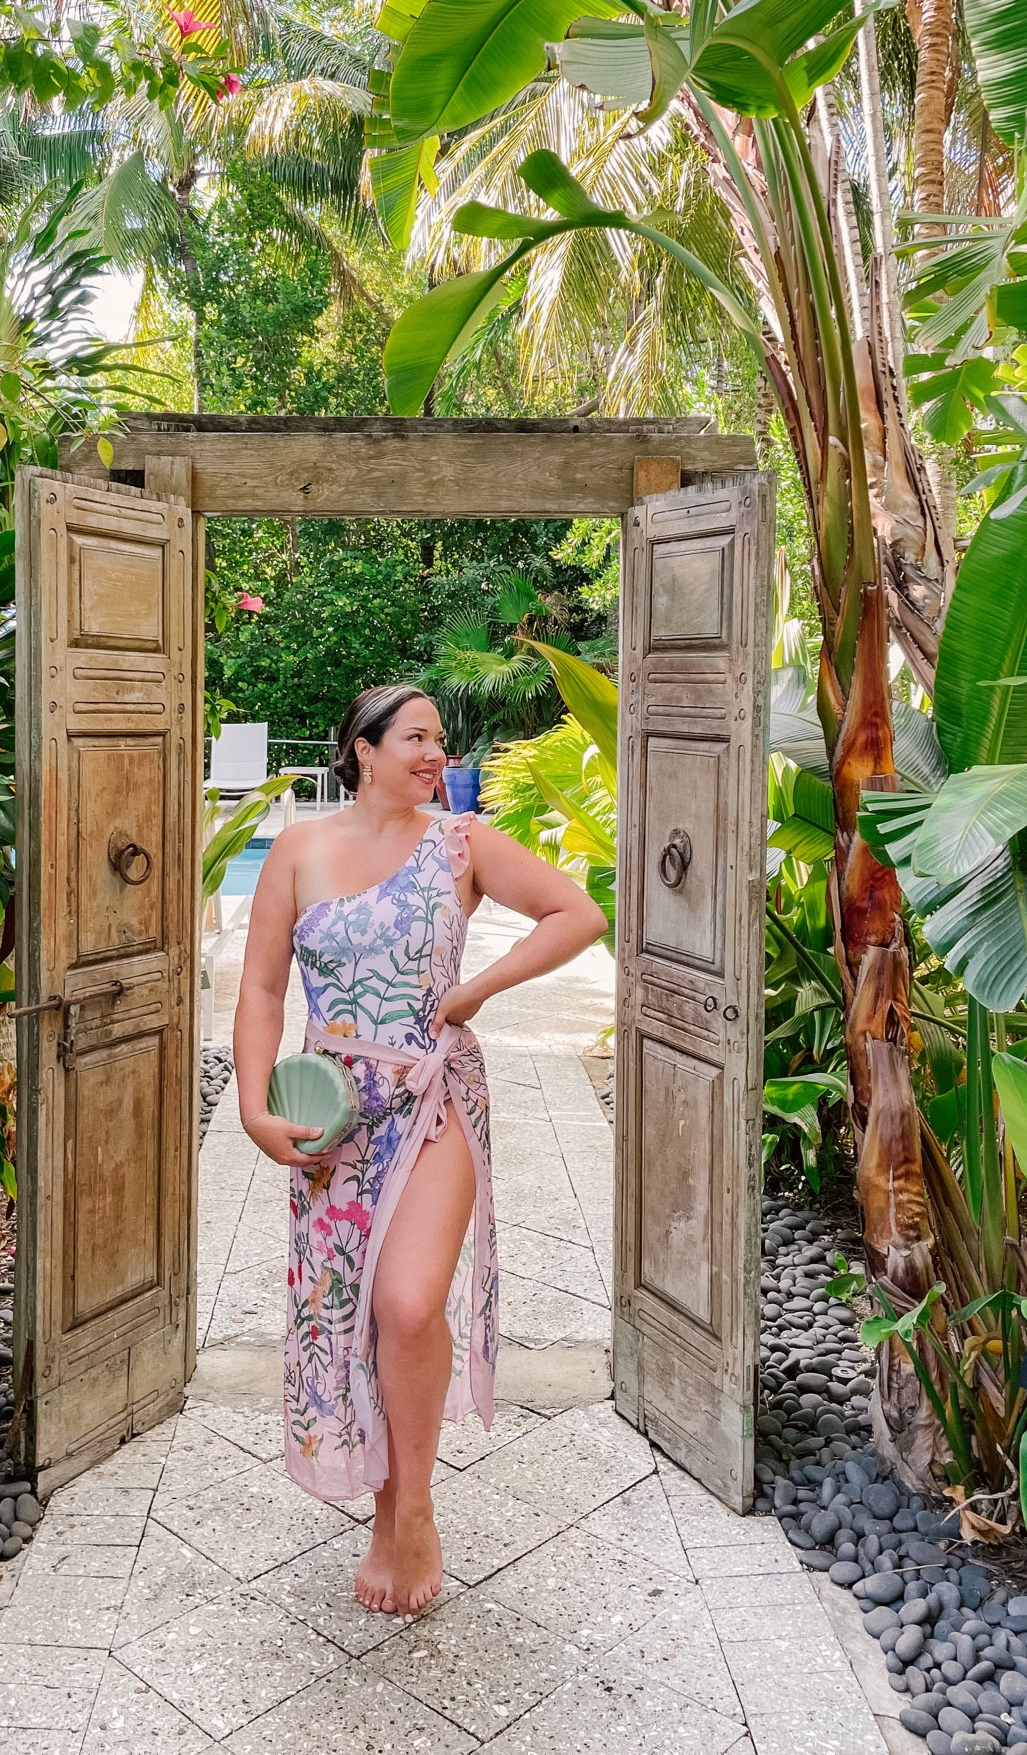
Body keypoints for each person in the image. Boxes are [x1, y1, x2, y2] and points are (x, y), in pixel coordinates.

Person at [233, 684, 608, 1617]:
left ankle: (414, 1507)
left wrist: (476, 990)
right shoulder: (297, 850)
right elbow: (263, 987)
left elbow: (577, 914)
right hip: (333, 1116)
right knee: (350, 1312)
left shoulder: (462, 844)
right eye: (416, 738)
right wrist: (250, 1102)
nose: (436, 753)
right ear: (363, 751)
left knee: (405, 1307)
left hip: (434, 1096)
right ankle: (382, 1499)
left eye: (440, 739)